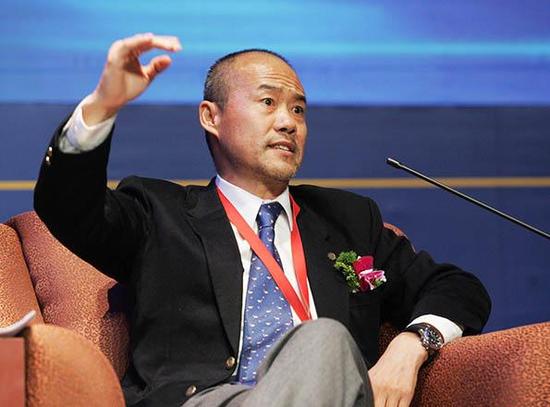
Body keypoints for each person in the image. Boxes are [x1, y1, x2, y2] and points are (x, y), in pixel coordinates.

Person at [34, 33, 491, 407]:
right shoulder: (160, 214)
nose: (288, 122)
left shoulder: (350, 220)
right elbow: (68, 209)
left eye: (299, 110)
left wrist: (411, 346)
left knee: (324, 343)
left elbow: (458, 288)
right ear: (211, 117)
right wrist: (102, 107)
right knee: (324, 340)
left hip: (330, 392)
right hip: (207, 401)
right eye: (268, 102)